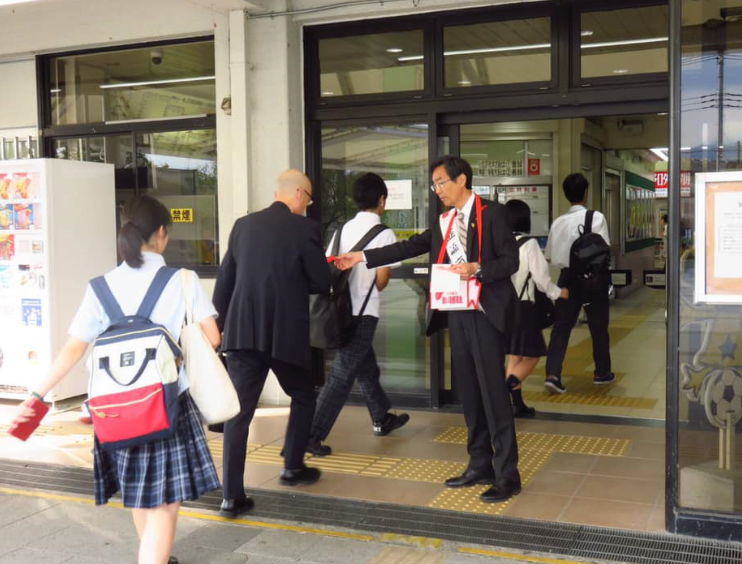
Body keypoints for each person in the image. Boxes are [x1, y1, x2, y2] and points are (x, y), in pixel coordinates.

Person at [12, 195, 221, 564]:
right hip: (166, 405)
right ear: (162, 234)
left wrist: (36, 397)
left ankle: (155, 555)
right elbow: (213, 338)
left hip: (114, 410)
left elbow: (72, 350)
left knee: (140, 492)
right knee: (165, 504)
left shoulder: (101, 287)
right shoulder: (183, 280)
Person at [335, 155, 521, 503]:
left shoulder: (492, 213)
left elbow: (510, 261)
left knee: (494, 394)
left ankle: (508, 474)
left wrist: (478, 267)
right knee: (469, 392)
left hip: (485, 313)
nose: (437, 191)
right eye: (434, 185)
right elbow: (410, 246)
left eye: (441, 182)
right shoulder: (444, 221)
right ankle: (479, 463)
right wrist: (361, 257)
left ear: (461, 179)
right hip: (457, 312)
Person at [213, 169, 331, 518]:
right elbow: (321, 281)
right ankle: (293, 466)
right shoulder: (304, 229)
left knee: (239, 413)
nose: (307, 205)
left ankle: (231, 496)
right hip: (285, 334)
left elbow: (225, 283)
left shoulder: (242, 226)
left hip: (243, 333)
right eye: (307, 198)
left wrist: (218, 330)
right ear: (298, 193)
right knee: (304, 395)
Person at [308, 173, 410, 456]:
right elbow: (381, 280)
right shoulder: (384, 233)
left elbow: (328, 266)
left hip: (338, 311)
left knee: (365, 367)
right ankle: (312, 433)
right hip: (364, 312)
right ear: (381, 200)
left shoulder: (341, 231)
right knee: (342, 374)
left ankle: (382, 417)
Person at [544, 173, 614, 394]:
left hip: (567, 278)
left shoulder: (558, 222)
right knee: (598, 327)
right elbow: (604, 250)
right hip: (593, 279)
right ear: (585, 193)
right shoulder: (596, 218)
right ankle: (601, 373)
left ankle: (553, 374)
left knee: (561, 328)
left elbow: (552, 256)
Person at [503, 199, 568, 418]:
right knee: (533, 355)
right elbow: (541, 279)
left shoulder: (499, 243)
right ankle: (505, 390)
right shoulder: (528, 244)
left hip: (504, 308)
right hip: (523, 309)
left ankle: (516, 404)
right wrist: (558, 293)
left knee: (514, 357)